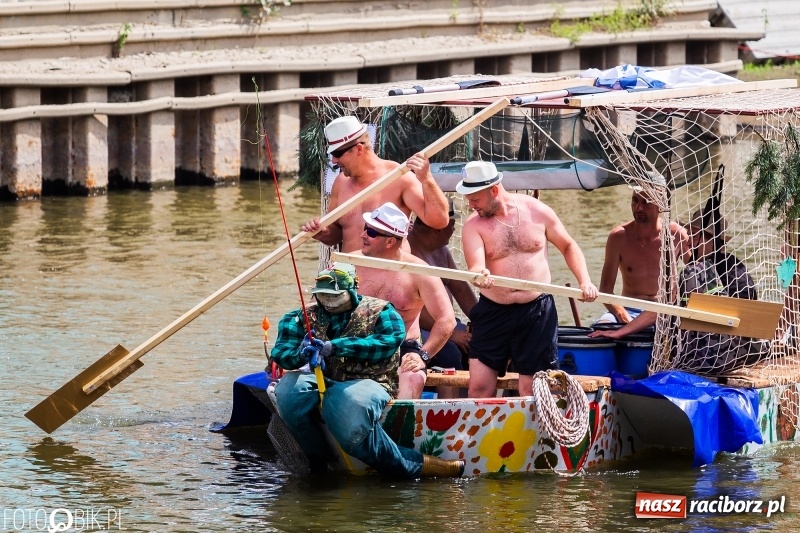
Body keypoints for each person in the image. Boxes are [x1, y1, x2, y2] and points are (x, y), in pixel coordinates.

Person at [270, 262, 465, 478]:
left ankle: (413, 465)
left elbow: (387, 343)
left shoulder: (383, 312)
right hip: (321, 378)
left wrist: (335, 347)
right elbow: (281, 352)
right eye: (323, 296)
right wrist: (301, 354)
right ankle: (317, 459)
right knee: (288, 392)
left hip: (371, 382)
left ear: (353, 289)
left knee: (352, 406)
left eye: (336, 296)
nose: (329, 303)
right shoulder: (298, 317)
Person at [457, 161, 598, 397]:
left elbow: (568, 245)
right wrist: (480, 274)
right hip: (494, 311)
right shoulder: (473, 225)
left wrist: (584, 281)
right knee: (479, 387)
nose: (471, 205)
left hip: (537, 311)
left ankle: (533, 433)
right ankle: (481, 433)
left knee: (531, 388)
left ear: (493, 190)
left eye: (475, 199)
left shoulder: (536, 210)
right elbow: (477, 264)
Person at [590, 208, 769, 373]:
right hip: (748, 348)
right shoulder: (736, 265)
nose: (688, 241)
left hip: (715, 355)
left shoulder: (696, 271)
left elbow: (665, 307)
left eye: (693, 236)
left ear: (708, 239)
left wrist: (622, 331)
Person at [300, 115, 450, 252]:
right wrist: (323, 233)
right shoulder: (340, 182)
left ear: (358, 149)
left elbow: (439, 220)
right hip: (350, 276)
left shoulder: (398, 177)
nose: (333, 160)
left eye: (337, 154)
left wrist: (427, 179)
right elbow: (337, 234)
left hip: (389, 277)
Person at [354, 202, 456, 398]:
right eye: (365, 229)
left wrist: (423, 356)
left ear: (390, 242)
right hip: (356, 342)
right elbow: (319, 305)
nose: (363, 235)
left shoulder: (420, 272)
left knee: (413, 377)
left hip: (403, 346)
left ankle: (397, 426)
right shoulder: (348, 263)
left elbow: (447, 319)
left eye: (372, 233)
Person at [594, 187, 690, 324]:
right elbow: (605, 289)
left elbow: (696, 272)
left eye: (646, 202)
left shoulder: (676, 234)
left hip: (665, 310)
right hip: (629, 308)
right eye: (635, 201)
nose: (638, 208)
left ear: (661, 206)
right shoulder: (618, 237)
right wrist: (622, 316)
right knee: (602, 326)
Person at [408, 199, 478, 372]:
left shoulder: (441, 250)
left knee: (489, 340)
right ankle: (449, 399)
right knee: (450, 353)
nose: (454, 229)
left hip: (446, 323)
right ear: (437, 227)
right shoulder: (407, 252)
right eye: (452, 223)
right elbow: (415, 308)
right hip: (416, 327)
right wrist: (452, 335)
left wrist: (485, 320)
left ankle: (480, 395)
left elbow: (461, 289)